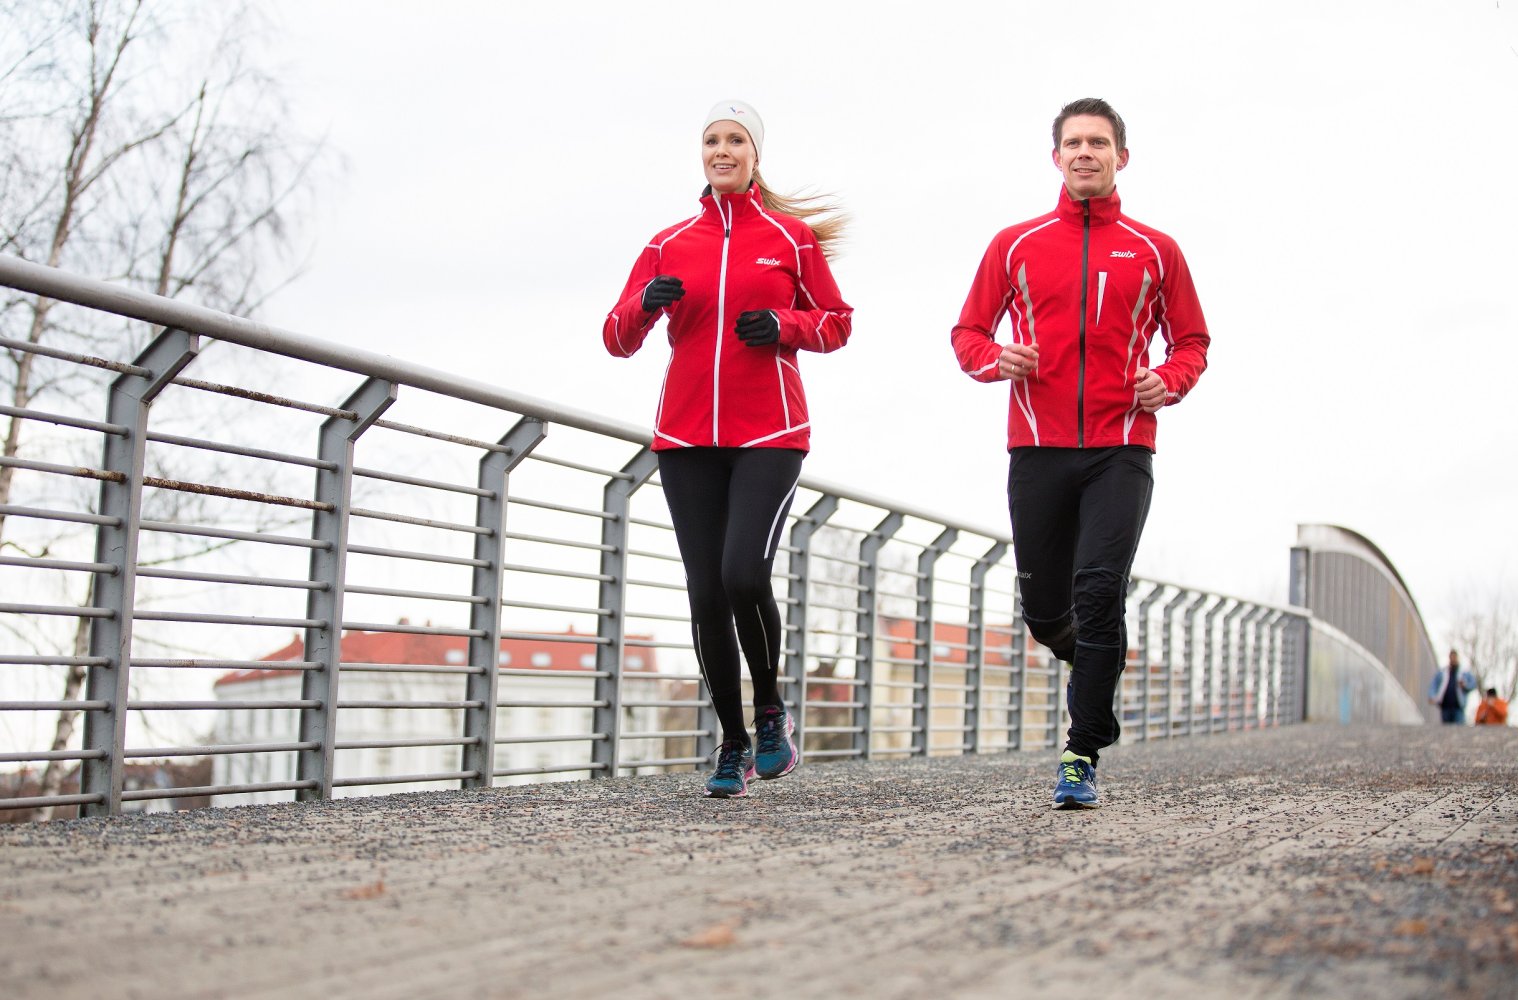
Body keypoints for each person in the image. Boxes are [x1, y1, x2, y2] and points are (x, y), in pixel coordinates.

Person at [950, 98, 1210, 809]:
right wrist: (998, 358)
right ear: (1056, 157)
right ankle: (1093, 660)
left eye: (1099, 142)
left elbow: (1192, 343)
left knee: (1099, 593)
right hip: (1036, 447)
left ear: (1122, 156)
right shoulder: (1016, 244)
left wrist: (1170, 379)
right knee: (1045, 612)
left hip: (1122, 446)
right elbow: (967, 333)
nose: (1085, 153)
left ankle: (1081, 753)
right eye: (1073, 143)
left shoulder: (1157, 250)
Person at [603, 100, 852, 798]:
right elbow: (616, 339)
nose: (722, 149)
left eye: (735, 140)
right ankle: (734, 743)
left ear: (754, 156)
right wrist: (645, 305)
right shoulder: (668, 242)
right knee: (706, 593)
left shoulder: (791, 238)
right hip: (685, 438)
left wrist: (782, 324)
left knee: (744, 574)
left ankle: (771, 711)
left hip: (770, 432)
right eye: (712, 139)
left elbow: (836, 324)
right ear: (701, 155)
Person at [1427, 650, 1476, 724]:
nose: (1453, 659)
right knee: (1446, 729)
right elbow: (1434, 685)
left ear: (1457, 658)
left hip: (1458, 706)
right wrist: (1432, 696)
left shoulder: (1464, 672)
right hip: (1445, 706)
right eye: (1451, 657)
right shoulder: (1442, 672)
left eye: (1454, 657)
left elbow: (1473, 684)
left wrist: (1465, 685)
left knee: (1459, 729)